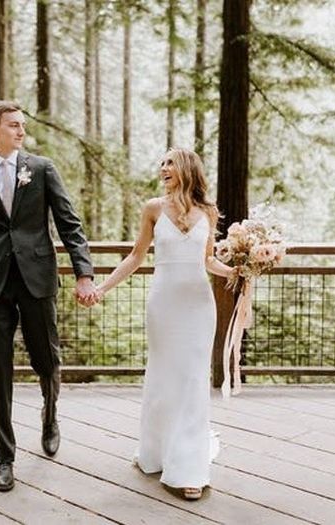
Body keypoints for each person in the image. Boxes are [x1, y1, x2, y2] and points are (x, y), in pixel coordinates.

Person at [0, 100, 97, 492]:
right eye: (13, 125)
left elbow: (70, 223)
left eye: (23, 126)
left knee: (47, 359)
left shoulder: (42, 168)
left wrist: (84, 273)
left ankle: (50, 415)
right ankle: (4, 456)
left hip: (37, 279)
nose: (21, 132)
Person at [95, 148, 234, 500]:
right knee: (164, 376)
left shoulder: (209, 212)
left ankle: (189, 468)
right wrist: (102, 288)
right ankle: (156, 452)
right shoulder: (153, 209)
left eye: (170, 162)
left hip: (199, 305)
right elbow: (135, 256)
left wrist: (238, 270)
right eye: (161, 163)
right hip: (164, 303)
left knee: (193, 379)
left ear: (187, 168)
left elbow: (208, 261)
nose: (163, 168)